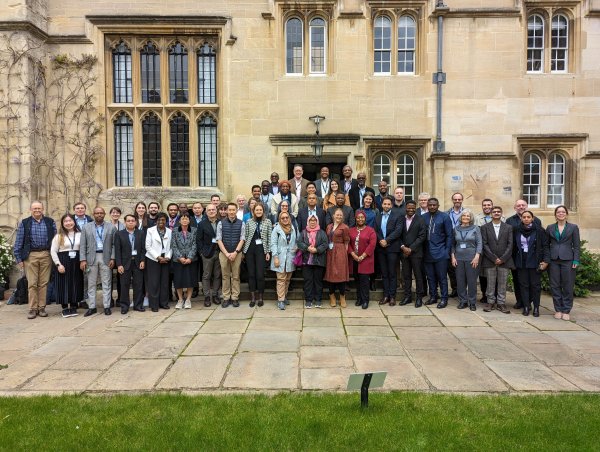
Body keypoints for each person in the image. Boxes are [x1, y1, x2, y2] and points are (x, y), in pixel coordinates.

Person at [13, 201, 57, 319]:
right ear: (30, 209)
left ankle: (42, 307)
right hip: (30, 255)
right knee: (32, 283)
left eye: (39, 208)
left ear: (43, 209)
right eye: (35, 208)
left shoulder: (50, 222)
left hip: (46, 254)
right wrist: (19, 259)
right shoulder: (25, 223)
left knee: (43, 283)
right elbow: (18, 241)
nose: (37, 210)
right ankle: (33, 308)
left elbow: (56, 240)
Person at [80, 207, 116, 316]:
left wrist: (113, 258)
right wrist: (82, 259)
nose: (99, 215)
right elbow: (82, 245)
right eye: (97, 213)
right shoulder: (86, 227)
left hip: (106, 257)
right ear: (93, 214)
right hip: (91, 257)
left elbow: (114, 244)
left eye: (101, 213)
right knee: (91, 283)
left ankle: (106, 306)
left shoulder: (111, 227)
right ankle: (92, 307)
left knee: (107, 282)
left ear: (104, 214)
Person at [506, 199, 542, 309]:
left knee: (532, 282)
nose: (521, 207)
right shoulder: (509, 220)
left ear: (526, 206)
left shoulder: (537, 221)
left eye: (523, 205)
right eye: (518, 205)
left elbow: (540, 240)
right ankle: (520, 301)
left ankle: (529, 301)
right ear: (515, 207)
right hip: (517, 256)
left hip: (532, 257)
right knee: (518, 280)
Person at [513, 210, 550, 317]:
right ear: (521, 218)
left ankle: (536, 308)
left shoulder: (539, 230)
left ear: (532, 218)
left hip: (535, 261)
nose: (526, 219)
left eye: (528, 217)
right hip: (521, 261)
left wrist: (546, 261)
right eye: (524, 217)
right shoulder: (516, 230)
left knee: (535, 286)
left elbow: (545, 247)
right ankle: (526, 306)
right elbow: (514, 247)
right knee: (523, 285)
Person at [546, 205, 580, 321]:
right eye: (558, 212)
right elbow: (546, 245)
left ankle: (566, 310)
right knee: (555, 285)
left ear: (566, 214)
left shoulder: (573, 227)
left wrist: (576, 259)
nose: (561, 214)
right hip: (553, 260)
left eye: (563, 212)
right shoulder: (550, 228)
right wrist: (546, 259)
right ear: (555, 215)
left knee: (568, 285)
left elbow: (576, 246)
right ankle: (558, 309)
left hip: (568, 260)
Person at [481, 206, 513, 314]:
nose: (496, 213)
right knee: (490, 282)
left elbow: (510, 244)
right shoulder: (485, 227)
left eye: (498, 211)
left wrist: (503, 258)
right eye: (494, 212)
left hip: (504, 260)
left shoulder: (508, 227)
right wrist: (494, 258)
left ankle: (501, 303)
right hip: (490, 260)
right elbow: (484, 244)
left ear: (501, 213)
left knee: (502, 283)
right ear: (491, 214)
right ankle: (490, 302)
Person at [422, 198, 453, 308]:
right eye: (430, 205)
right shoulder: (423, 217)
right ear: (427, 205)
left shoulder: (444, 217)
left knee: (442, 277)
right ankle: (433, 296)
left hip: (441, 252)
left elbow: (449, 235)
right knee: (430, 277)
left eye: (434, 205)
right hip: (427, 252)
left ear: (438, 205)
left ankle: (444, 298)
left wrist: (447, 251)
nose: (432, 207)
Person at [50, 214, 82, 317]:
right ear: (63, 224)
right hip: (63, 261)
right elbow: (53, 251)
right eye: (66, 221)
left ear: (74, 222)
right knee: (63, 284)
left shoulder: (80, 234)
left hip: (76, 261)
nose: (68, 223)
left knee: (75, 283)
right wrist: (58, 264)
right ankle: (64, 308)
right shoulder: (59, 236)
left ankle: (73, 306)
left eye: (70, 221)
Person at [451, 210, 482, 311]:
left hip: (472, 258)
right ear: (461, 217)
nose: (466, 217)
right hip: (458, 258)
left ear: (471, 218)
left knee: (472, 281)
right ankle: (463, 301)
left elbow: (479, 243)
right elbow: (452, 244)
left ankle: (472, 302)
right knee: (460, 281)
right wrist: (453, 256)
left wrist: (477, 256)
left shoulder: (475, 228)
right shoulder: (456, 229)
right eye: (464, 215)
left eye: (468, 216)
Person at [114, 214, 146, 314]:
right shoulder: (119, 234)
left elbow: (143, 249)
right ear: (125, 222)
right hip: (124, 263)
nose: (131, 222)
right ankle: (124, 306)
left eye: (133, 220)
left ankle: (138, 305)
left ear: (136, 222)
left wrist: (142, 260)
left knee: (138, 285)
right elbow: (117, 250)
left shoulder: (141, 233)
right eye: (128, 221)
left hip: (137, 262)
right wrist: (119, 264)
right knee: (124, 285)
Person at [243, 203, 272, 307]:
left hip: (261, 250)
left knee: (260, 275)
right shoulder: (249, 222)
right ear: (253, 211)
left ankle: (260, 297)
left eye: (260, 210)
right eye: (257, 210)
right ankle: (252, 298)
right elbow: (245, 236)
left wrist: (268, 252)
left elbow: (269, 237)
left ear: (263, 211)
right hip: (250, 249)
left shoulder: (267, 222)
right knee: (251, 274)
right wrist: (243, 252)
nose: (258, 212)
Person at [375, 197, 403, 306]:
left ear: (391, 205)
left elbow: (398, 231)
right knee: (384, 273)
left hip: (392, 248)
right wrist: (380, 240)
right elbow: (375, 230)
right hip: (381, 249)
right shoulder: (378, 216)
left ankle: (392, 296)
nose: (386, 206)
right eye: (384, 204)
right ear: (382, 205)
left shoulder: (398, 216)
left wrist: (386, 240)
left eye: (388, 204)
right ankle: (386, 295)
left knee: (392, 273)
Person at [217, 203, 245, 308]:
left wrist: (235, 252)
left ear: (236, 210)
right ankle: (226, 297)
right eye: (230, 210)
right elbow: (219, 239)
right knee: (225, 276)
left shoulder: (241, 223)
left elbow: (242, 238)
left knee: (236, 276)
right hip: (224, 253)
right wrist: (227, 253)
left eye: (234, 210)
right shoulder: (221, 223)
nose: (232, 212)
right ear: (227, 211)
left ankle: (235, 297)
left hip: (236, 253)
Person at [399, 200, 427, 307]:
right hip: (404, 253)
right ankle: (407, 297)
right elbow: (398, 234)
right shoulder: (401, 219)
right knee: (406, 276)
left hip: (416, 253)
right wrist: (402, 247)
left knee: (418, 276)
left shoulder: (420, 220)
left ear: (415, 208)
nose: (411, 210)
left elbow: (422, 236)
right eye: (409, 208)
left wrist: (411, 249)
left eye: (413, 208)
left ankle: (419, 298)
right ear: (405, 208)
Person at [297, 215, 328, 308]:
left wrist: (317, 250)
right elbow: (299, 243)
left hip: (319, 261)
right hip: (307, 261)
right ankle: (308, 300)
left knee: (318, 281)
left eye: (314, 220)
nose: (313, 222)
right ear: (308, 222)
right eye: (311, 220)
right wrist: (307, 248)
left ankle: (318, 300)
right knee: (308, 281)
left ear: (317, 221)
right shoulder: (303, 232)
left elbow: (325, 243)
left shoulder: (322, 232)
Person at [348, 210, 377, 309]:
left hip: (365, 260)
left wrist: (362, 256)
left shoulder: (370, 230)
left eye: (362, 217)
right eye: (358, 217)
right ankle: (359, 298)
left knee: (364, 281)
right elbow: (348, 244)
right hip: (354, 259)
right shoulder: (351, 230)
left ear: (365, 218)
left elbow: (372, 245)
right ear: (355, 219)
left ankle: (365, 300)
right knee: (357, 280)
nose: (360, 219)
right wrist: (353, 255)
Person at [145, 213, 172, 312]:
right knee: (154, 282)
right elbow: (148, 246)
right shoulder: (150, 231)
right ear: (156, 221)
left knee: (164, 282)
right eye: (159, 220)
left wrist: (167, 257)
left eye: (163, 220)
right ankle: (154, 304)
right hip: (153, 259)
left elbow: (171, 246)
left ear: (166, 221)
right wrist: (158, 257)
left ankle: (164, 303)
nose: (161, 222)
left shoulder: (169, 231)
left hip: (166, 259)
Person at [271, 211, 298, 310]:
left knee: (287, 279)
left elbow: (296, 240)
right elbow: (273, 244)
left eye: (287, 217)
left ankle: (284, 296)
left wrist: (296, 247)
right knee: (281, 279)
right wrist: (276, 257)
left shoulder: (292, 228)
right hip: (280, 257)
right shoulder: (276, 229)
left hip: (290, 257)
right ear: (280, 219)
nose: (285, 219)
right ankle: (280, 299)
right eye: (283, 218)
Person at [171, 213, 198, 309]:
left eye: (186, 219)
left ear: (189, 221)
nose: (185, 220)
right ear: (179, 221)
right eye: (183, 219)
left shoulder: (194, 230)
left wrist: (190, 257)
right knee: (178, 280)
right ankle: (180, 299)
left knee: (190, 280)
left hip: (191, 260)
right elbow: (173, 245)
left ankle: (188, 300)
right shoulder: (174, 231)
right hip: (178, 260)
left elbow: (195, 244)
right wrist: (180, 257)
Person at [197, 203, 222, 307]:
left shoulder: (221, 222)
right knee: (206, 275)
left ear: (216, 211)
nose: (211, 211)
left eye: (213, 210)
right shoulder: (202, 224)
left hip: (220, 252)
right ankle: (207, 296)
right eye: (209, 210)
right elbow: (199, 240)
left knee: (217, 275)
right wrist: (202, 253)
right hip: (207, 254)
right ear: (206, 212)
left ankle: (215, 295)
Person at [325, 208, 350, 307]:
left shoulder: (345, 227)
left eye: (340, 215)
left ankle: (342, 296)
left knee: (340, 273)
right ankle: (332, 296)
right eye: (337, 215)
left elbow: (346, 241)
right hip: (330, 251)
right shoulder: (329, 226)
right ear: (333, 216)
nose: (338, 216)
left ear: (342, 217)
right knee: (331, 273)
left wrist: (344, 253)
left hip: (340, 251)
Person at [475, 198, 496, 304]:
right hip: (482, 251)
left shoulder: (499, 217)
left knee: (494, 274)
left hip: (495, 251)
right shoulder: (477, 218)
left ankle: (494, 295)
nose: (487, 207)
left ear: (492, 205)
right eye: (484, 205)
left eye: (489, 205)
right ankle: (484, 294)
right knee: (483, 274)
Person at [446, 192, 464, 298]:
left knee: (461, 267)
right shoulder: (447, 213)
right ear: (452, 200)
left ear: (462, 200)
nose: (457, 201)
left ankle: (461, 289)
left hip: (462, 242)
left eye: (459, 199)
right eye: (455, 199)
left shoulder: (466, 212)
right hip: (450, 241)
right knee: (451, 268)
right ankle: (454, 289)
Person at [109, 206, 125, 307]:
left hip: (120, 254)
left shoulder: (123, 225)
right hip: (108, 255)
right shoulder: (105, 225)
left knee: (121, 278)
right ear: (110, 214)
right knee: (108, 278)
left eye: (117, 213)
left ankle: (120, 298)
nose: (115, 214)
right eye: (113, 212)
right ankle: (109, 299)